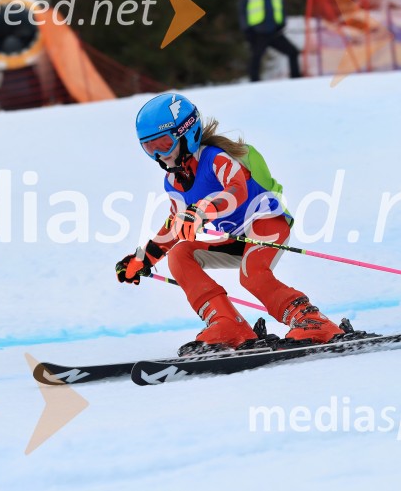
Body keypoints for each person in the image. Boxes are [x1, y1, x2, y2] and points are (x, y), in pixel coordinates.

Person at [116, 93, 343, 355]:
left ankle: (312, 321)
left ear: (187, 134)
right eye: (149, 148)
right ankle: (227, 324)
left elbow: (237, 190)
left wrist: (203, 210)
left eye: (164, 144)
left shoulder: (216, 159)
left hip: (266, 222)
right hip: (237, 238)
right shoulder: (173, 182)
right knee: (180, 255)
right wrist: (143, 259)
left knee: (251, 275)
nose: (159, 155)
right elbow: (174, 225)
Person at [238, 0, 302, 82]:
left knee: (293, 52)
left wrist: (282, 23)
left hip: (274, 32)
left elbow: (281, 8)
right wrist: (247, 30)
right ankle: (254, 84)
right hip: (258, 33)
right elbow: (242, 11)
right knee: (255, 58)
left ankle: (296, 80)